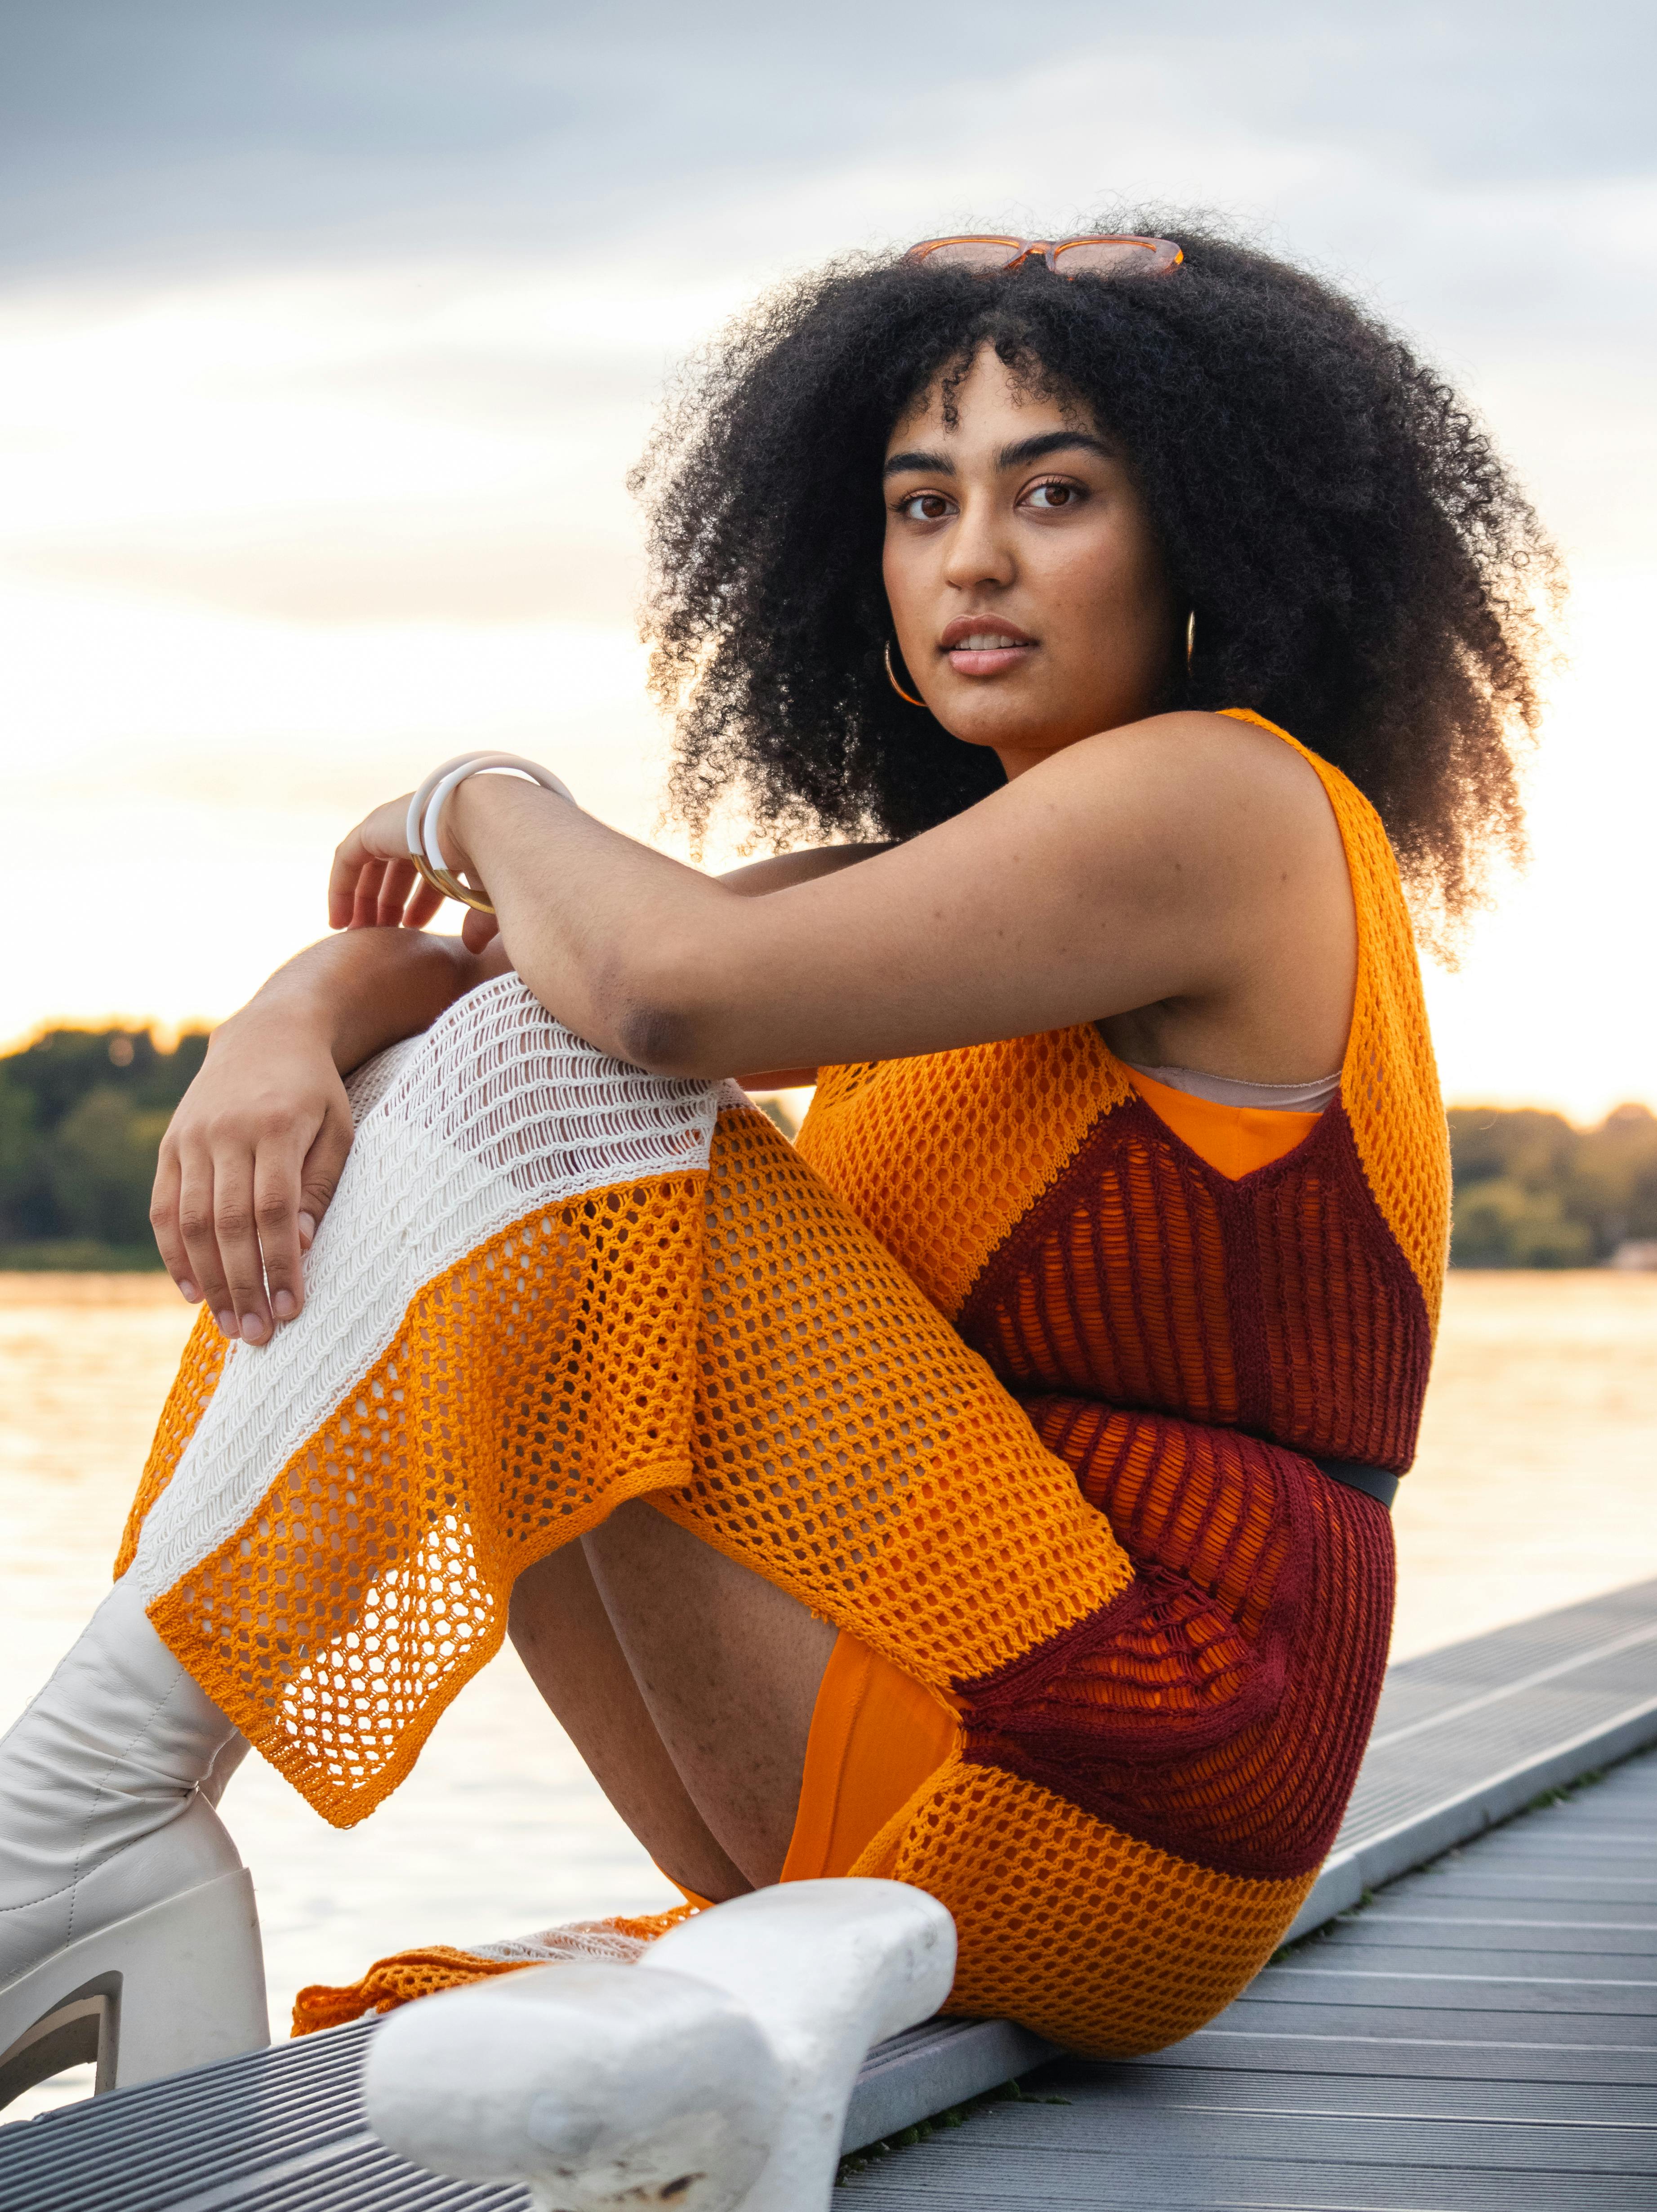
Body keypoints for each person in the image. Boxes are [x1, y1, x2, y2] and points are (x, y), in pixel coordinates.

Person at [0, 227, 1553, 2099]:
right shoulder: (969, 887)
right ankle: (92, 1825)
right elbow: (515, 992)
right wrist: (295, 1010)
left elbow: (649, 994)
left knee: (563, 1075)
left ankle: (73, 1819)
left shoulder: (1220, 801)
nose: (970, 557)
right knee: (509, 1072)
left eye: (1052, 493)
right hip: (955, 1731)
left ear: (1207, 537)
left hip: (1136, 1751)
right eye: (917, 504)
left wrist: (475, 793)